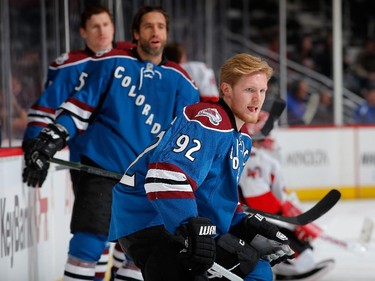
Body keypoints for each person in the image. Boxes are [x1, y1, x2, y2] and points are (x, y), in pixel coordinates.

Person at [22, 5, 199, 281]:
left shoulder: (183, 81)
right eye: (148, 26)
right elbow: (78, 110)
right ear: (135, 34)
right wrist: (47, 142)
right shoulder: (112, 62)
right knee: (88, 244)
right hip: (103, 170)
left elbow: (188, 140)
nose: (155, 32)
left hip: (145, 181)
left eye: (161, 27)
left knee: (140, 257)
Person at [108, 53, 295, 281]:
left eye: (262, 91)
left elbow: (212, 196)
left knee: (258, 270)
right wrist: (190, 227)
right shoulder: (207, 119)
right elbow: (164, 176)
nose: (257, 99)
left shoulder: (241, 137)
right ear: (226, 89)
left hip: (175, 220)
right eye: (249, 90)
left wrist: (242, 223)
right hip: (153, 220)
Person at [21, 5, 121, 280]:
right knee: (96, 231)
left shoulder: (129, 60)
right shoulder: (70, 66)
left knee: (131, 237)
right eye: (95, 26)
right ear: (82, 32)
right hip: (90, 160)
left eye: (105, 24)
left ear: (113, 28)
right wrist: (34, 147)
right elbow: (44, 109)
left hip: (132, 160)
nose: (102, 31)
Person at [239, 112, 335, 281]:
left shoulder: (239, 152)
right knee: (306, 258)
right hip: (259, 223)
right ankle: (279, 268)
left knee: (305, 252)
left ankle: (278, 267)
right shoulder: (266, 161)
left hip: (247, 219)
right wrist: (293, 220)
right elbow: (268, 201)